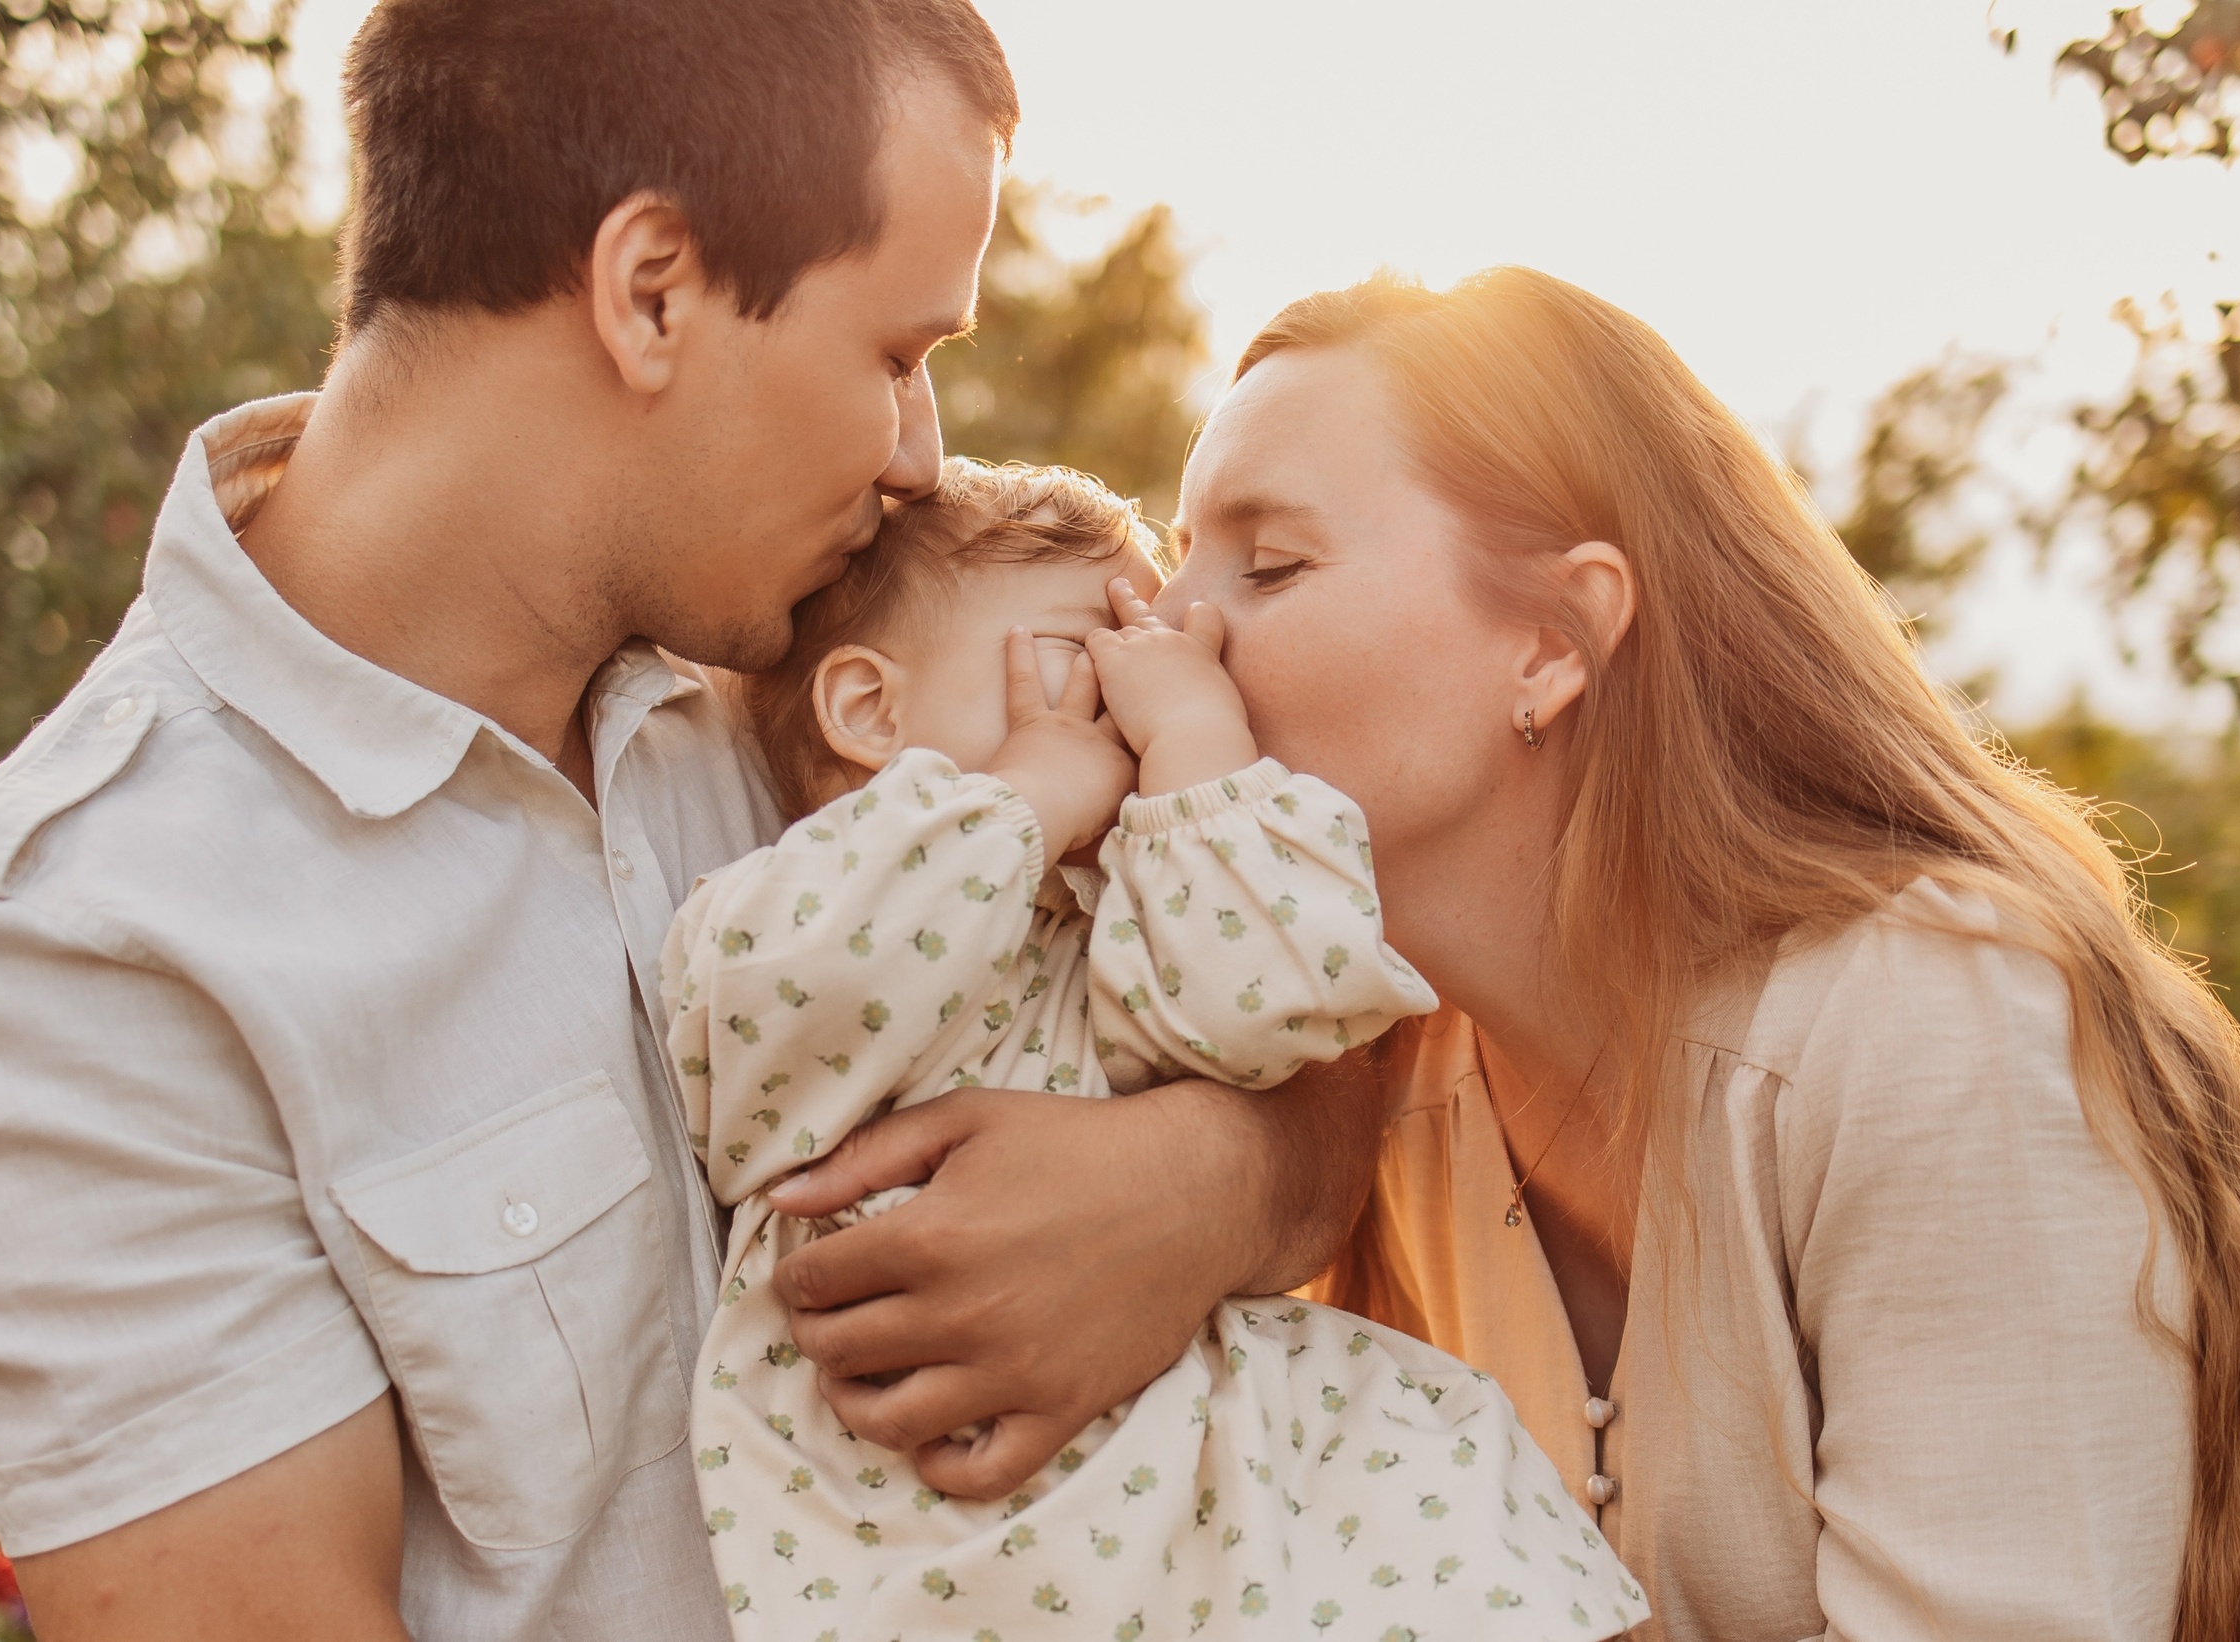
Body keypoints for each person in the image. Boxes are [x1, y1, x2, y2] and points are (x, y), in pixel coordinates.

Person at [0, 6, 1390, 1637]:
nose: (923, 455)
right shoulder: (68, 967)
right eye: (898, 356)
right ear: (650, 292)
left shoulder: (854, 666)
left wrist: (1192, 1188)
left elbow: (1314, 1002)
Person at [1141, 266, 2240, 1642]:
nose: (1169, 625)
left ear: (1554, 637)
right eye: (1177, 553)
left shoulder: (1926, 1024)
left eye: (1270, 562)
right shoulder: (1380, 1094)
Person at [668, 458, 1642, 1640]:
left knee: (1440, 1475)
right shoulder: (780, 909)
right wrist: (1029, 792)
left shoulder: (1103, 936)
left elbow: (1273, 1003)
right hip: (946, 1529)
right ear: (870, 711)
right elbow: (797, 986)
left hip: (1201, 1468)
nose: (1149, 678)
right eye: (1099, 650)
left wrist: (1191, 737)